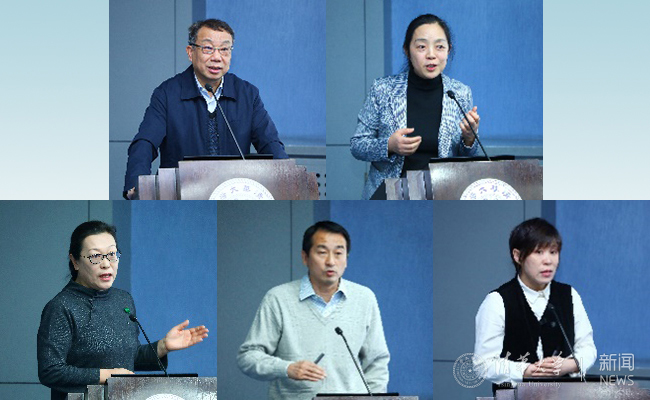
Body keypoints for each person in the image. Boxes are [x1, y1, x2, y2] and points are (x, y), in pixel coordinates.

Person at [37, 221, 209, 399]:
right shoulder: (61, 307)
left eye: (112, 254)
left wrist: (162, 346)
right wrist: (105, 376)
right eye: (95, 256)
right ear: (75, 261)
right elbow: (50, 371)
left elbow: (128, 357)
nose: (106, 264)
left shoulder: (123, 299)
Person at [123, 19, 288, 199]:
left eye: (224, 49)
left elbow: (270, 143)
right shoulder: (167, 93)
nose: (217, 57)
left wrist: (286, 178)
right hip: (181, 194)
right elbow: (145, 143)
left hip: (232, 194)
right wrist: (136, 185)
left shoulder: (247, 94)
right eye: (208, 48)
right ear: (190, 52)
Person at [237, 221, 390, 399]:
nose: (331, 261)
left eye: (338, 253)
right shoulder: (278, 298)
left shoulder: (364, 298)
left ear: (346, 258)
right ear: (305, 257)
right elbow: (248, 356)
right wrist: (287, 368)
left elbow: (377, 362)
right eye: (322, 252)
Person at [350, 14, 481, 199]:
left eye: (439, 47)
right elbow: (357, 145)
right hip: (390, 195)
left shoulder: (460, 92)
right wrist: (389, 145)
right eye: (421, 47)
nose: (431, 55)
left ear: (448, 51)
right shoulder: (383, 89)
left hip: (441, 194)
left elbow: (468, 157)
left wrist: (469, 138)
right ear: (407, 50)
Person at [474, 218, 597, 393]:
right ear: (517, 256)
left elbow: (588, 348)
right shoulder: (497, 301)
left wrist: (569, 365)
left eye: (553, 252)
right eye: (538, 252)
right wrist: (526, 370)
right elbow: (483, 364)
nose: (548, 261)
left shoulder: (569, 295)